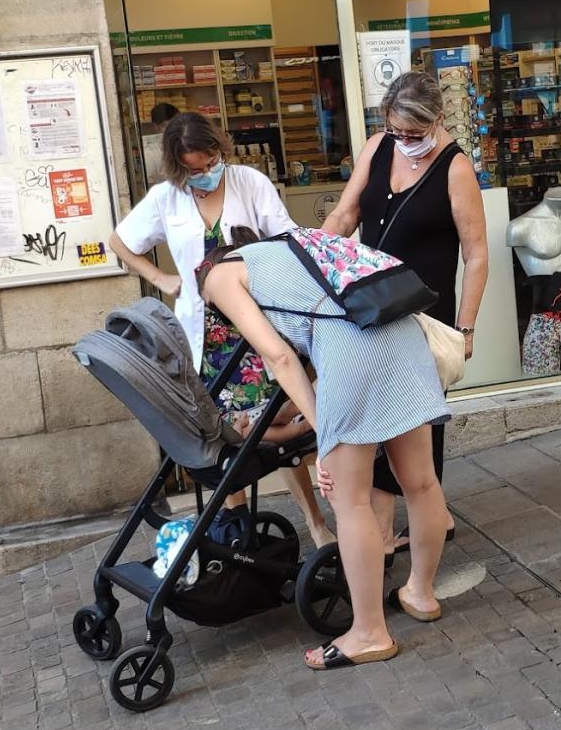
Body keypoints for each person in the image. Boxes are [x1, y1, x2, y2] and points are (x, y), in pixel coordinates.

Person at [199, 232, 450, 670]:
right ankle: (420, 594)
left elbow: (278, 358)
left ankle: (369, 633)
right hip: (402, 331)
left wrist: (322, 431)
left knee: (349, 500)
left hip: (354, 349)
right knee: (422, 481)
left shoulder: (219, 276)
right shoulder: (289, 246)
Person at [108, 111, 332, 549]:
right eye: (195, 169)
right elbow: (121, 242)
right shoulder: (164, 198)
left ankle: (317, 523)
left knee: (271, 423)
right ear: (177, 167)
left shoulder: (249, 182)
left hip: (254, 326)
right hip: (205, 339)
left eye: (211, 161)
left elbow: (287, 239)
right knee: (223, 441)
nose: (206, 173)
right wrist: (160, 280)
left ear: (220, 149)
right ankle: (236, 530)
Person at [323, 70, 487, 552]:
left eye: (415, 134)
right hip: (371, 308)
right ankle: (387, 532)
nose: (405, 142)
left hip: (425, 314)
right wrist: (314, 255)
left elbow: (476, 253)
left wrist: (467, 328)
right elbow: (346, 214)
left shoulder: (455, 168)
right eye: (397, 131)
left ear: (438, 120)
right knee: (375, 418)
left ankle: (417, 524)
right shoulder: (377, 148)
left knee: (416, 427)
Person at [141, 102, 180, 187]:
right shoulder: (150, 154)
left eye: (176, 125)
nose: (173, 130)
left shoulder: (186, 145)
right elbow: (150, 187)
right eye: (166, 126)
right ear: (156, 127)